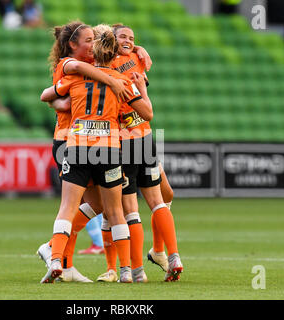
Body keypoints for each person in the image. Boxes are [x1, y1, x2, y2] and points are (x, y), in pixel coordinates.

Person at [36, 21, 154, 282]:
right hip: (87, 143)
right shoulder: (70, 66)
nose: (91, 44)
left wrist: (137, 49)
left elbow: (46, 95)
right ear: (73, 45)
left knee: (88, 204)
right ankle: (123, 270)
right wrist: (115, 82)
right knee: (110, 208)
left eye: (94, 40)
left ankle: (57, 255)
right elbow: (147, 113)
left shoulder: (75, 77)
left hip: (77, 143)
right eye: (87, 40)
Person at [96, 24, 182, 283]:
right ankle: (129, 266)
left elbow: (146, 106)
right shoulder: (104, 65)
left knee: (154, 199)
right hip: (124, 141)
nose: (129, 41)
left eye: (133, 38)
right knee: (116, 208)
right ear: (110, 40)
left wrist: (140, 50)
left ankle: (151, 258)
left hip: (138, 139)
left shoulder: (135, 58)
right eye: (123, 36)